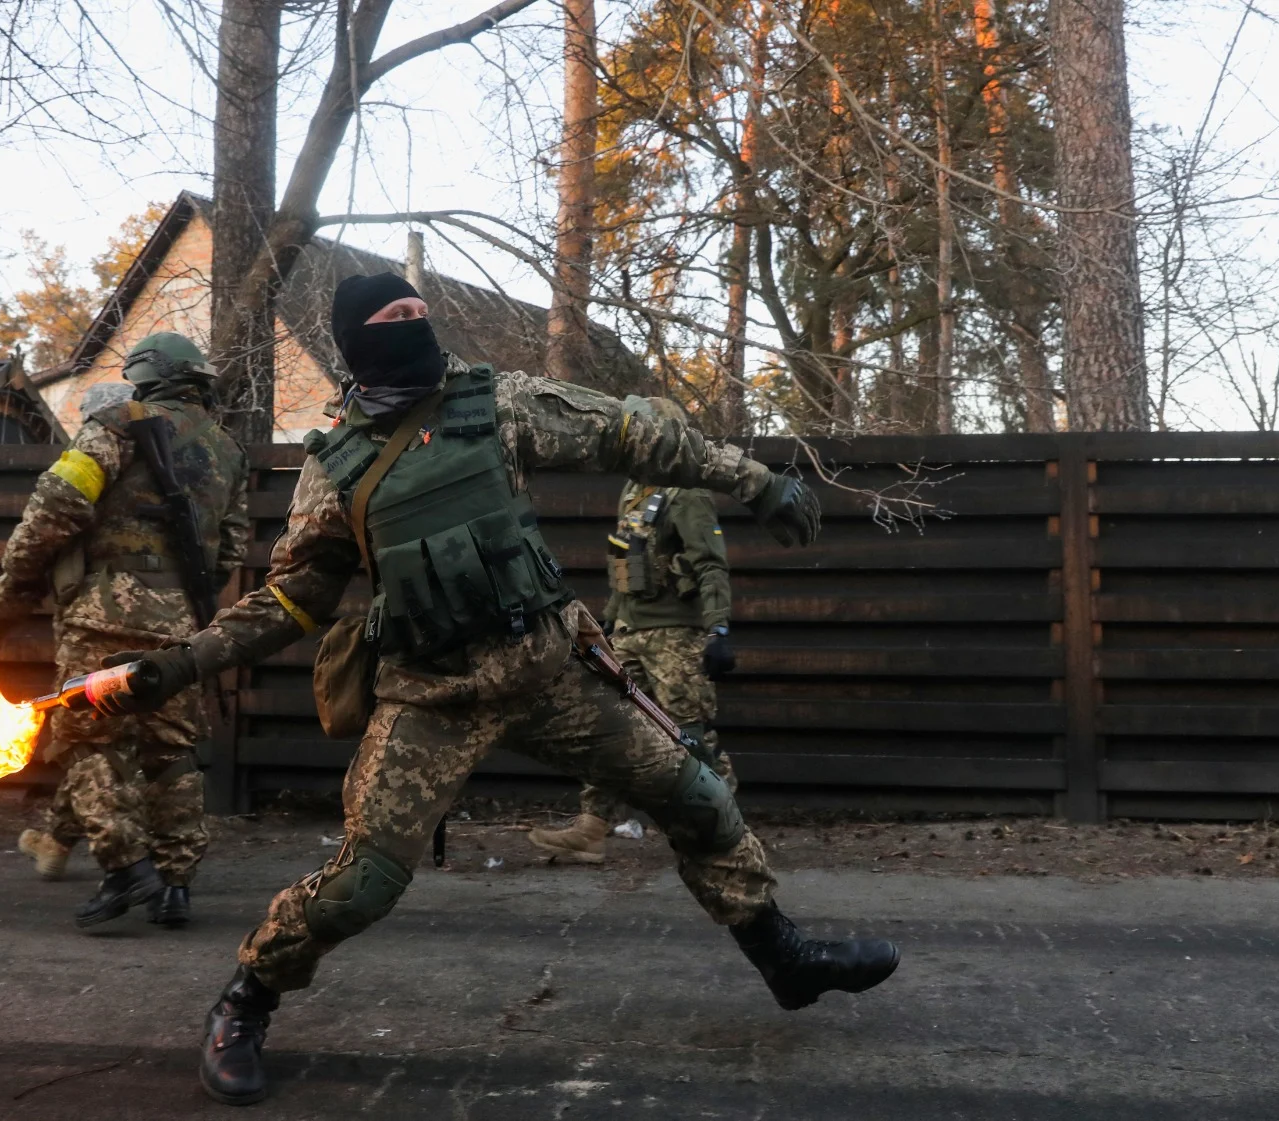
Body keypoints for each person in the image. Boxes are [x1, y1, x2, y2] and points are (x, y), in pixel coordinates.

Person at [89, 274, 899, 1106]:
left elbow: (628, 431)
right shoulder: (334, 467)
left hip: (549, 671)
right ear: (356, 342)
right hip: (431, 697)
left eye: (418, 311)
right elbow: (292, 599)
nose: (414, 323)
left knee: (696, 796)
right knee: (363, 882)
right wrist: (171, 665)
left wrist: (753, 480)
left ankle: (786, 959)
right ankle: (245, 1000)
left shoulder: (495, 403)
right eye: (392, 317)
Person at [0, 332, 249, 930]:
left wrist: (0, 609)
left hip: (101, 615)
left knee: (88, 742)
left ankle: (126, 867)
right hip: (182, 625)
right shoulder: (228, 450)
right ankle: (176, 885)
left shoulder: (118, 424)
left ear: (145, 375)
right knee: (171, 751)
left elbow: (53, 512)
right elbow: (232, 549)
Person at [529, 405, 738, 862]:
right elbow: (626, 565)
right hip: (629, 632)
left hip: (676, 637)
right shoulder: (634, 492)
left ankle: (725, 827)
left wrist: (718, 627)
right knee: (609, 729)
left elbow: (710, 564)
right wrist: (608, 622)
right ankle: (592, 828)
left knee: (690, 732)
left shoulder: (687, 494)